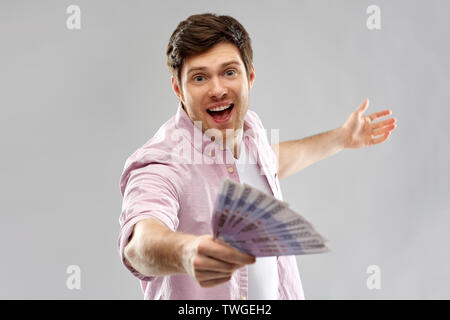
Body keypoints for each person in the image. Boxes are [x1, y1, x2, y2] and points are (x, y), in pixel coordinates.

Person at [118, 13, 397, 300]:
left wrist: (341, 138)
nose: (217, 89)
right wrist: (185, 253)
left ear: (249, 76)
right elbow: (140, 244)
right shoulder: (162, 161)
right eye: (200, 77)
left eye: (229, 72)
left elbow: (270, 163)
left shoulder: (251, 131)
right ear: (178, 88)